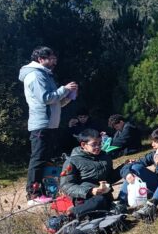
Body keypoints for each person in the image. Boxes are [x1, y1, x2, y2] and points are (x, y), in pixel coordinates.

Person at [18, 46, 78, 205]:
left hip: (50, 124)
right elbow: (46, 98)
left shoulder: (45, 75)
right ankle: (33, 194)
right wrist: (64, 89)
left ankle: (43, 191)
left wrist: (69, 96)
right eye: (51, 58)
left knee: (44, 159)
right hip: (41, 124)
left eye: (54, 58)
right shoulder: (35, 75)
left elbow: (55, 102)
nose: (54, 61)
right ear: (40, 59)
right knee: (38, 159)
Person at [59, 129, 121, 219]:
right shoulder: (72, 161)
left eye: (100, 143)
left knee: (104, 202)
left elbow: (110, 177)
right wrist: (90, 191)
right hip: (85, 199)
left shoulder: (105, 157)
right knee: (99, 201)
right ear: (83, 145)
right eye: (94, 144)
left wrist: (124, 166)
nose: (98, 147)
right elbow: (66, 185)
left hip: (106, 197)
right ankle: (69, 216)